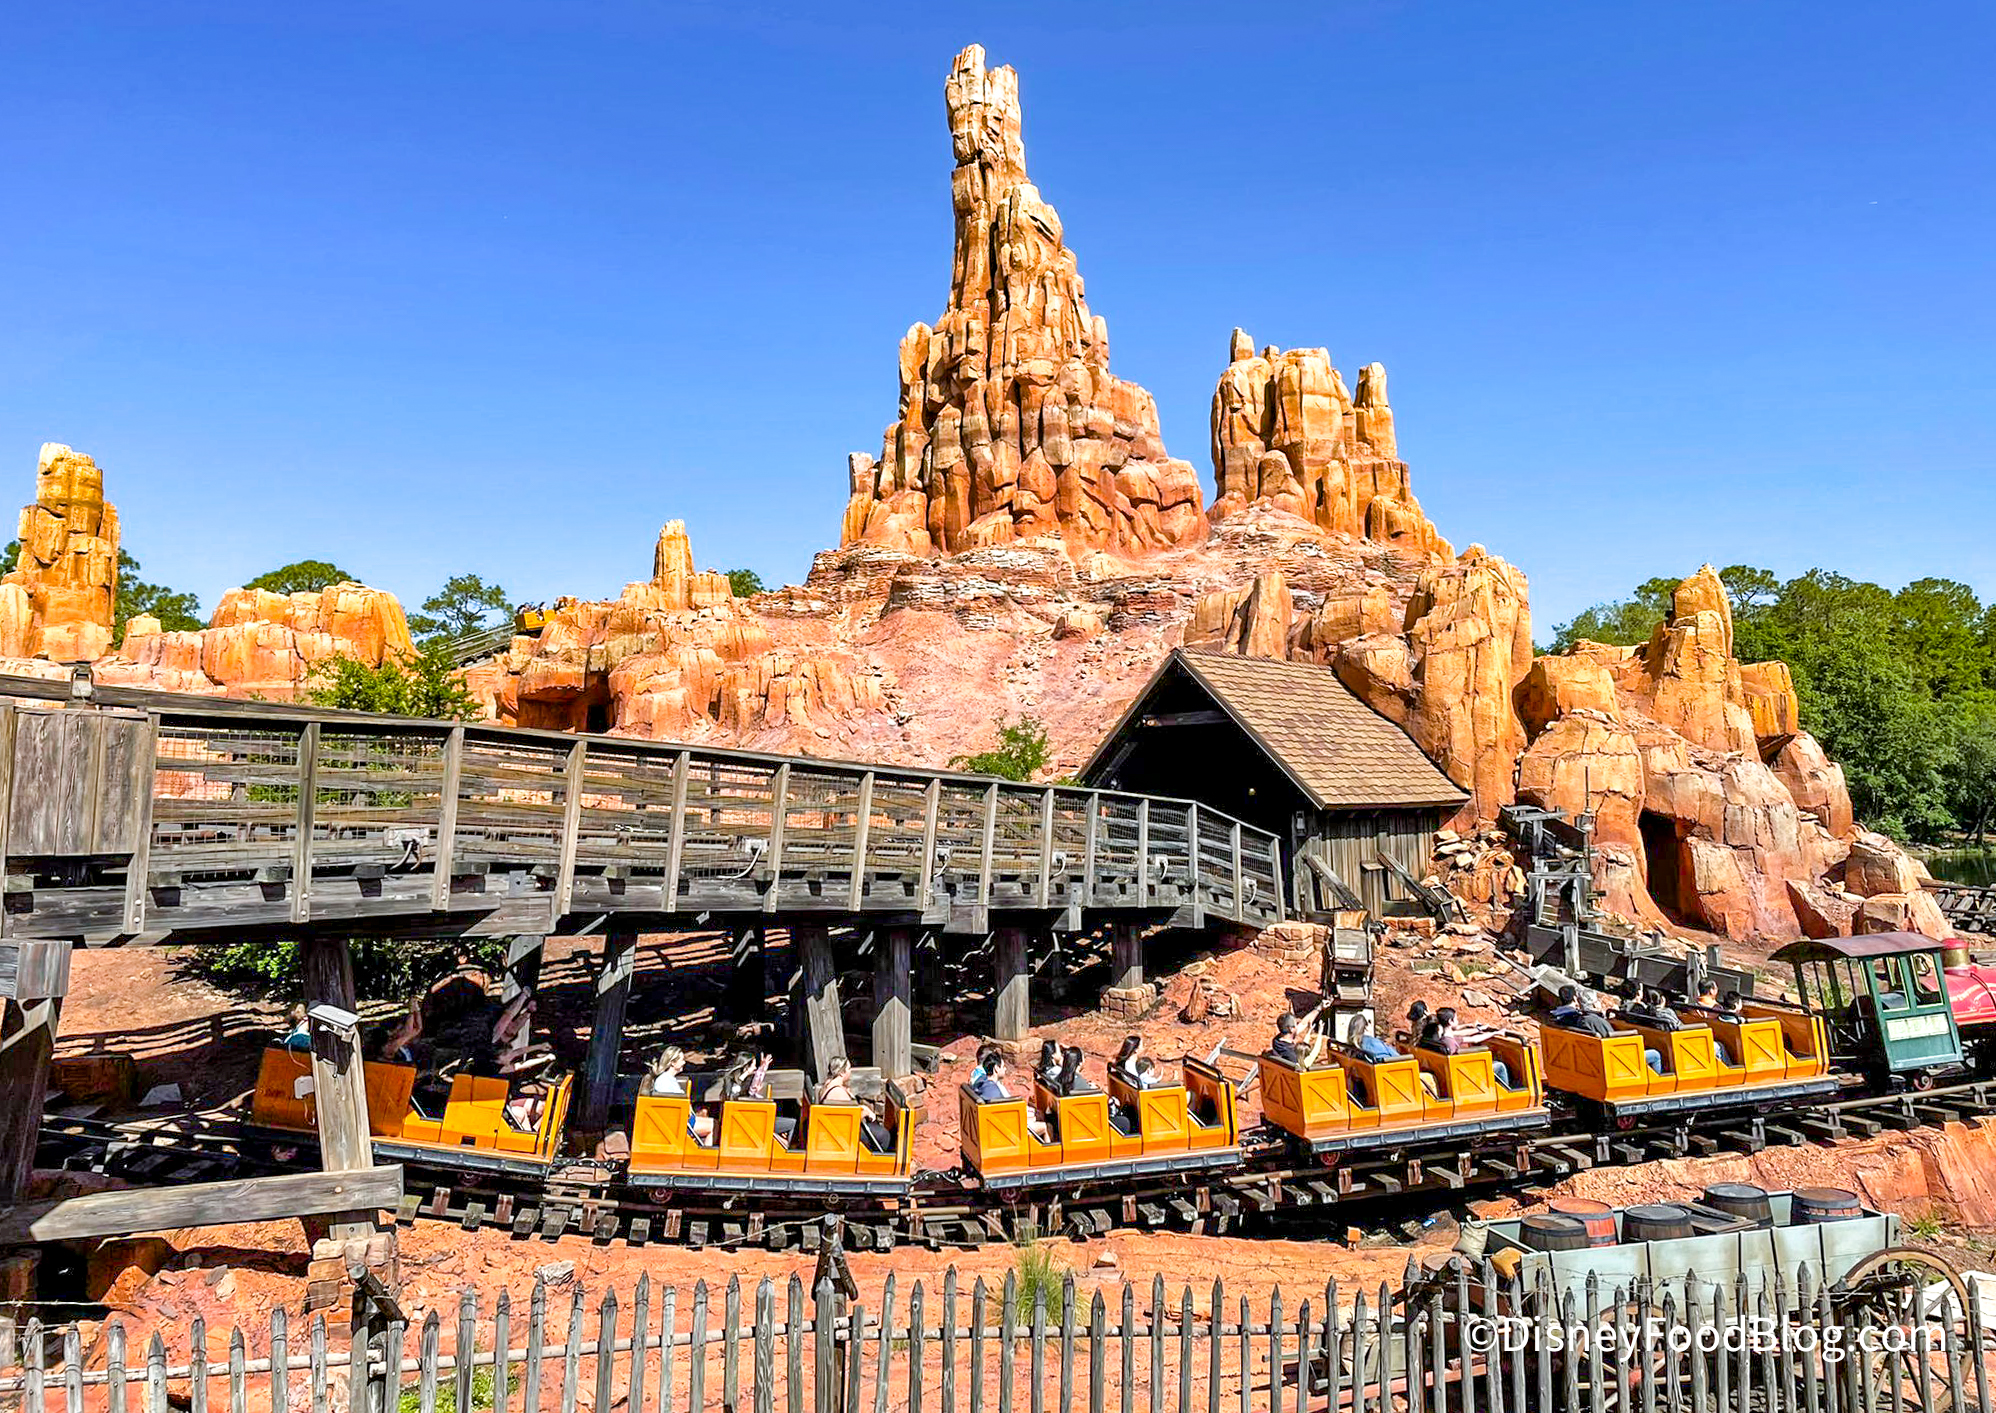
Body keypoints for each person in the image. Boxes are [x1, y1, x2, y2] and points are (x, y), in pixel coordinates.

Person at [1549, 985, 1615, 1039]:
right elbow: (1611, 1038)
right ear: (1594, 1004)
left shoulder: (1557, 1018)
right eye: (1598, 1001)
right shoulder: (1593, 1020)